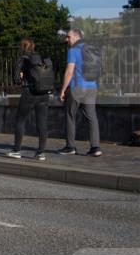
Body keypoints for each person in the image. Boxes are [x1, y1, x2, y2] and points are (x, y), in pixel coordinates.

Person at [58, 28, 101, 156]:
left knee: (70, 116)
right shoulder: (92, 50)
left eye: (69, 37)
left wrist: (63, 89)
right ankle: (95, 148)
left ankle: (70, 147)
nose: (66, 39)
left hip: (76, 87)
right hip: (91, 87)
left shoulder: (73, 50)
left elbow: (69, 71)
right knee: (92, 118)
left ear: (77, 37)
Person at [8, 38, 50, 161]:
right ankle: (41, 153)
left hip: (29, 92)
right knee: (42, 122)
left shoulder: (23, 58)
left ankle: (16, 150)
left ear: (22, 47)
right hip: (44, 93)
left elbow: (16, 79)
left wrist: (21, 76)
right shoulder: (41, 58)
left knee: (20, 121)